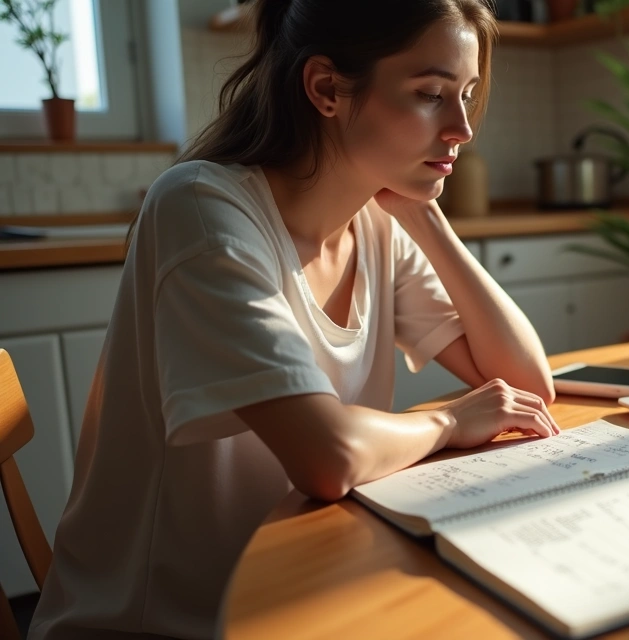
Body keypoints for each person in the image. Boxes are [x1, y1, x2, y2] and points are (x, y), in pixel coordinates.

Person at [28, 1, 559, 638]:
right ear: (327, 89)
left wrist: (425, 215)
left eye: (467, 95)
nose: (462, 127)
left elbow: (527, 383)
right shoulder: (202, 207)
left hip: (309, 586)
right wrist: (449, 420)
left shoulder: (374, 223)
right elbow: (327, 456)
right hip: (169, 621)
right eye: (430, 94)